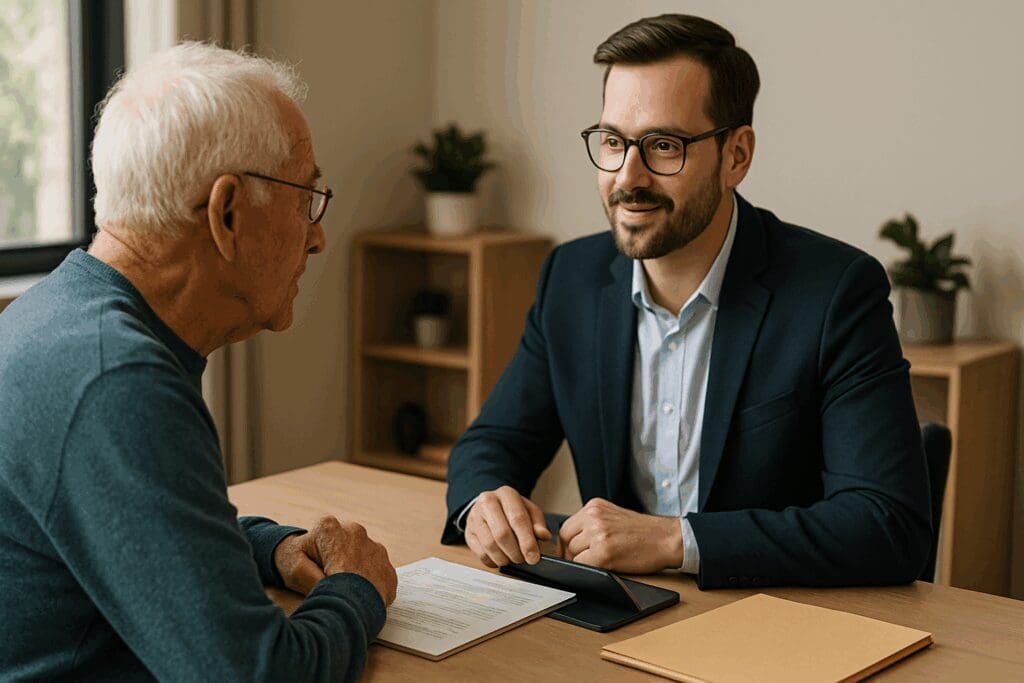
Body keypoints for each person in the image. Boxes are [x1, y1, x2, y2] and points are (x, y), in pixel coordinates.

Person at [442, 14, 932, 589]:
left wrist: (677, 540)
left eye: (664, 146)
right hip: (624, 616)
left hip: (778, 625)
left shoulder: (836, 293)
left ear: (736, 156)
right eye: (613, 141)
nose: (628, 176)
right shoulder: (570, 279)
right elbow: (492, 442)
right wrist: (482, 503)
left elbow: (888, 524)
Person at [0, 43, 397, 680]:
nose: (318, 235)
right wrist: (358, 589)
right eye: (307, 198)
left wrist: (272, 548)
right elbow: (257, 675)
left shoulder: (54, 313)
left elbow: (135, 523)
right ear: (228, 212)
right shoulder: (116, 382)